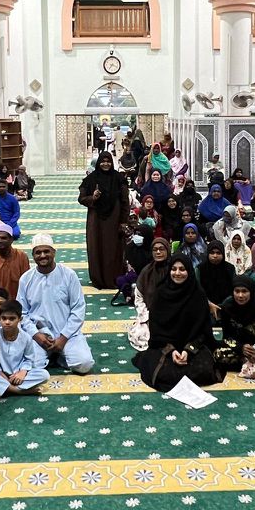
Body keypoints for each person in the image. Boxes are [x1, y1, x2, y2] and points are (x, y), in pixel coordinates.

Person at [132, 255, 224, 391]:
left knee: (203, 371)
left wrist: (188, 350)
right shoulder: (161, 293)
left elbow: (203, 331)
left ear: (189, 271)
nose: (177, 273)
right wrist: (171, 351)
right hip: (164, 345)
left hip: (193, 345)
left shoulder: (198, 294)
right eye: (174, 269)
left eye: (182, 269)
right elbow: (156, 330)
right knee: (164, 373)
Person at [17, 235, 94, 375]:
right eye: (38, 252)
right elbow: (22, 313)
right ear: (33, 255)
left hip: (67, 333)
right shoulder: (26, 279)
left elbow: (78, 309)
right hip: (39, 335)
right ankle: (55, 356)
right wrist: (36, 335)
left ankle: (57, 355)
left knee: (84, 364)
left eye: (46, 251)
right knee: (31, 366)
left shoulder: (68, 275)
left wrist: (63, 338)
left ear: (54, 252)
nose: (42, 255)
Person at [79, 151, 129, 291]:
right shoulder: (90, 180)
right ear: (98, 163)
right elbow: (81, 199)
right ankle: (99, 279)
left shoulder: (119, 179)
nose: (105, 164)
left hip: (114, 219)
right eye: (103, 161)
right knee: (97, 247)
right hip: (96, 221)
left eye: (108, 161)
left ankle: (114, 278)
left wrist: (123, 221)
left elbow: (125, 201)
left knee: (113, 248)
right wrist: (93, 198)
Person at [0, 300, 49, 397]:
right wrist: (2, 375)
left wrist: (22, 372)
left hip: (19, 375)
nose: (7, 322)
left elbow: (28, 359)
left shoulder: (26, 337)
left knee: (44, 375)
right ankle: (17, 391)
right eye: (4, 318)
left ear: (20, 319)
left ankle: (6, 389)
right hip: (0, 374)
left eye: (12, 319)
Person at [198, 241, 236, 316]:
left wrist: (223, 305)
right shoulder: (200, 269)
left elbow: (234, 289)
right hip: (205, 305)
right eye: (212, 253)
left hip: (227, 306)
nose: (215, 256)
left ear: (223, 254)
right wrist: (209, 304)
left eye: (218, 253)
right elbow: (198, 290)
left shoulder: (230, 268)